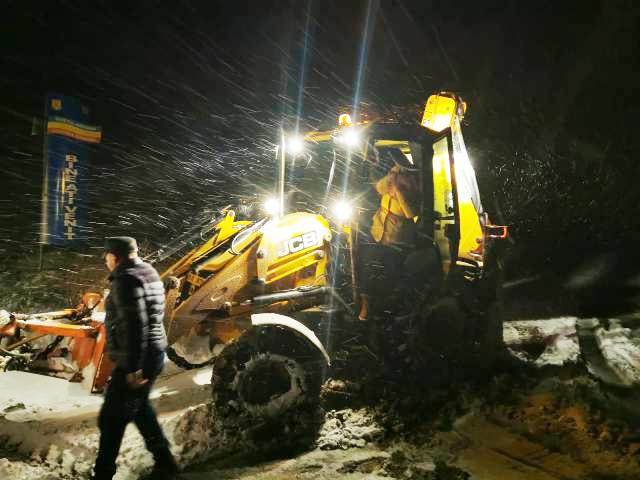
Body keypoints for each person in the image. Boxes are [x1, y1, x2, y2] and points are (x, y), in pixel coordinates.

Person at [92, 236, 178, 480]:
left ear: (114, 256)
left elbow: (135, 324)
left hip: (138, 359)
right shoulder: (147, 271)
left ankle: (103, 473)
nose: (105, 260)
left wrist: (132, 368)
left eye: (107, 255)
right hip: (151, 353)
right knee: (139, 410)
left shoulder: (125, 280)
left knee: (111, 418)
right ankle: (166, 462)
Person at [358, 151, 420, 321]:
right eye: (394, 169)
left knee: (389, 271)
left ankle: (386, 309)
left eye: (397, 170)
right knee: (364, 259)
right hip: (378, 232)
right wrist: (374, 168)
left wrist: (399, 191)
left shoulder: (412, 182)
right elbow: (378, 188)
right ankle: (365, 302)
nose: (394, 172)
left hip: (397, 239)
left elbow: (411, 213)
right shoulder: (392, 175)